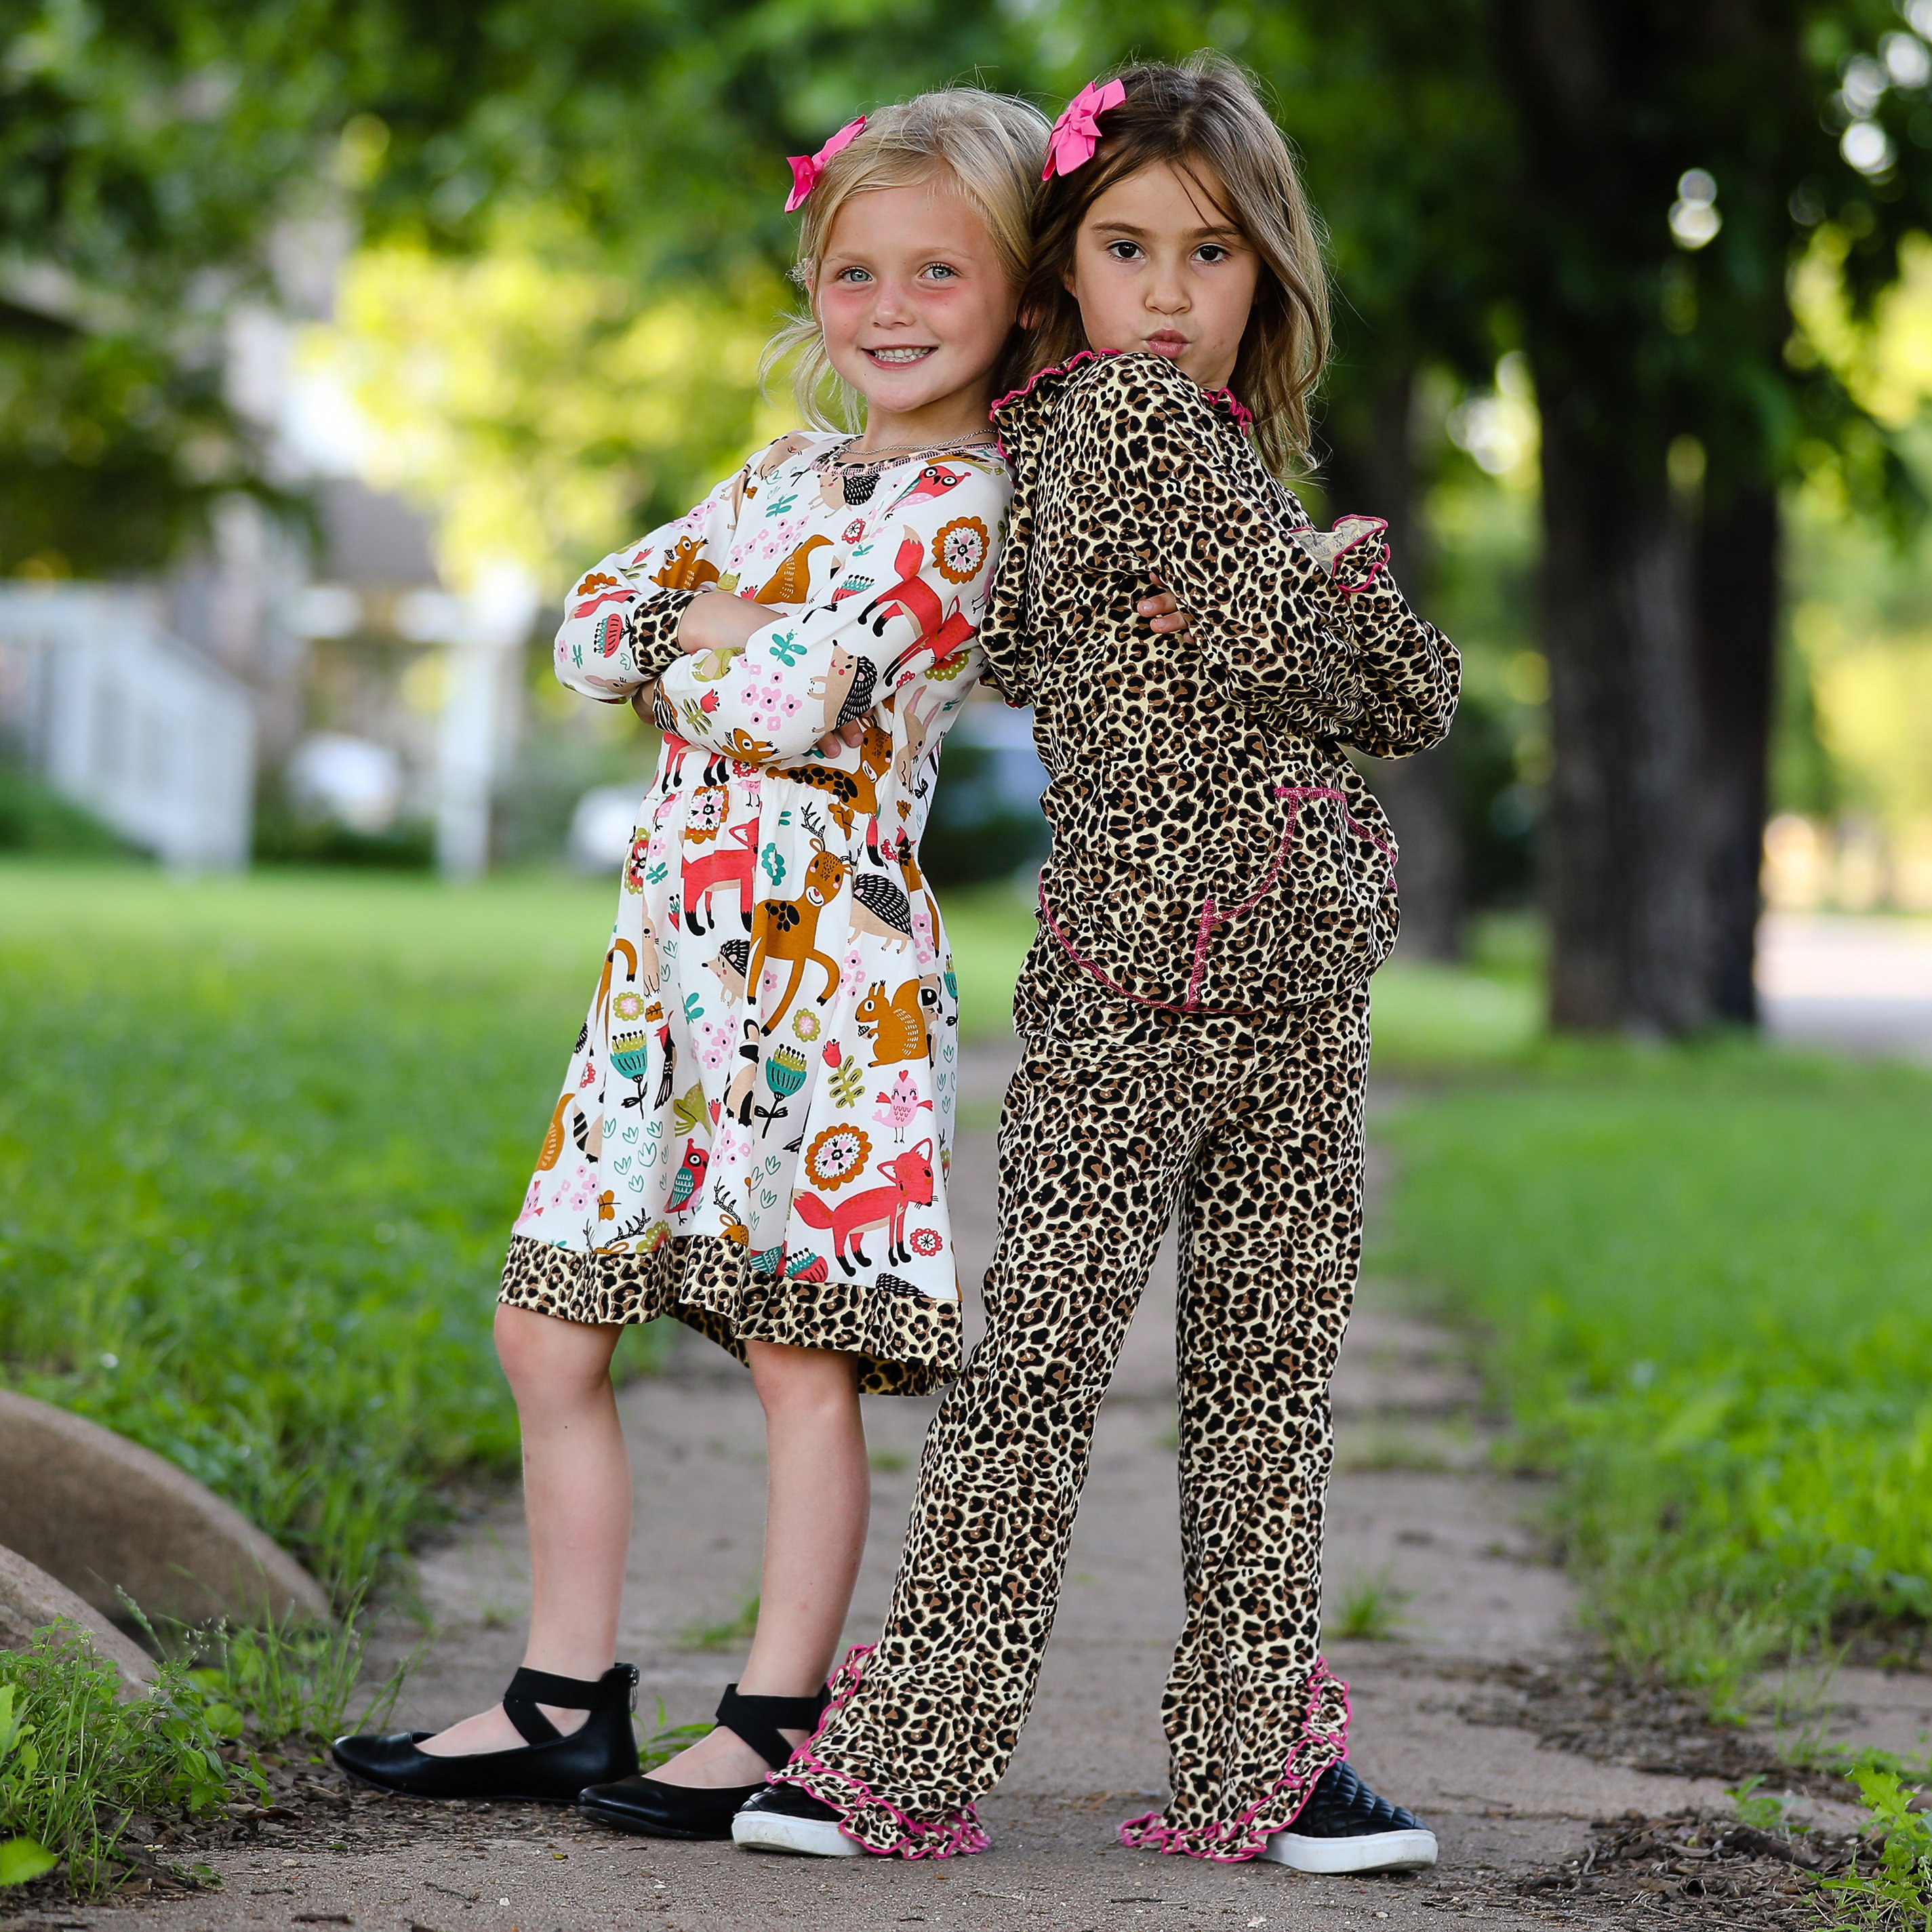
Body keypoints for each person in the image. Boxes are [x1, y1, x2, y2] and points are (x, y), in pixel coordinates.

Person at [733, 57, 1459, 1874]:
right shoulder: (1131, 432)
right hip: (1145, 989)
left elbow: (1256, 661)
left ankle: (1245, 1763)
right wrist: (1340, 600)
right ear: (1069, 272)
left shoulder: (1165, 452)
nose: (1165, 292)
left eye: (1209, 256)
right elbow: (1385, 691)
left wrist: (1292, 602)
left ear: (1261, 277)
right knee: (1059, 1366)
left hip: (1284, 999)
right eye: (1124, 248)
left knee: (1253, 1373)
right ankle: (909, 1754)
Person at [332, 87, 1075, 1839]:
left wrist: (718, 641)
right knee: (545, 1318)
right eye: (852, 272)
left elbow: (793, 696)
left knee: (790, 1347)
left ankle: (771, 1712)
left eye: (933, 274)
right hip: (664, 979)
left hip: (828, 984)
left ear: (1016, 299)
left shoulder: (966, 508)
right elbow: (596, 615)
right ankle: (562, 1691)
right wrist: (708, 629)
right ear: (813, 285)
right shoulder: (771, 481)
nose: (886, 310)